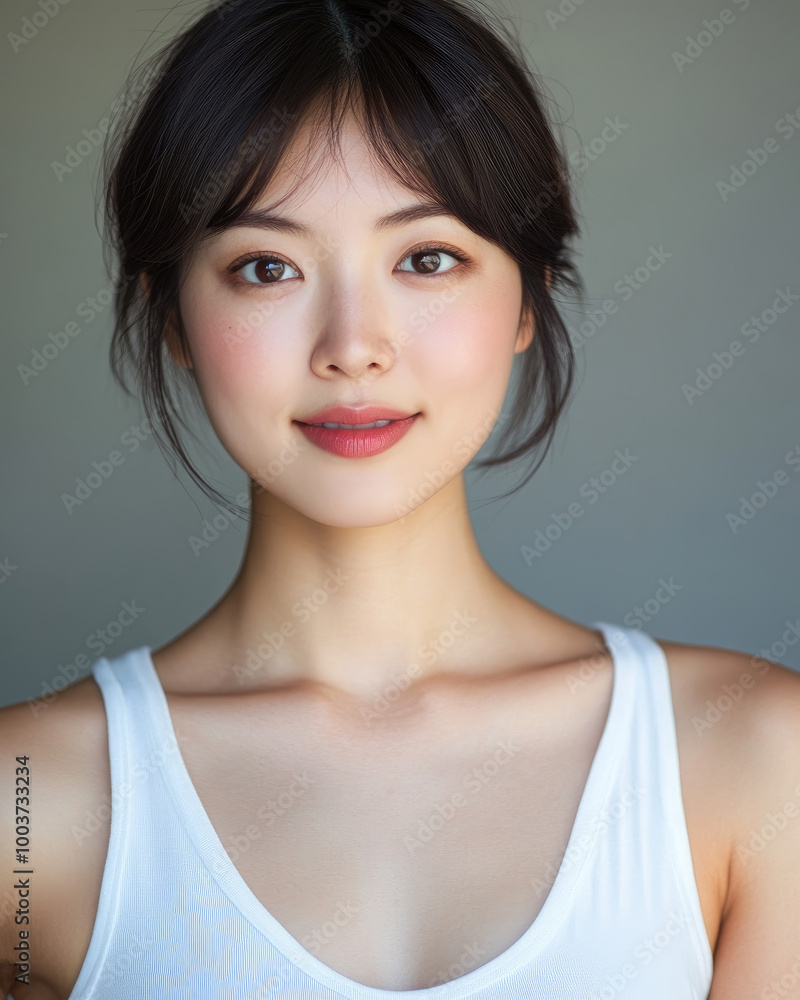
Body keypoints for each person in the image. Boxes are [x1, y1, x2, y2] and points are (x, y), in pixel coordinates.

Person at [2, 0, 800, 997]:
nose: (352, 343)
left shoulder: (757, 758)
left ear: (528, 294)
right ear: (172, 317)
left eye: (426, 258)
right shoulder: (24, 803)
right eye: (265, 267)